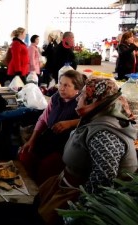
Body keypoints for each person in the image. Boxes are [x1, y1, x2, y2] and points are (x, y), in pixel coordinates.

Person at [36, 77, 137, 225]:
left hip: (77, 199)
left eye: (82, 95)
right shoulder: (97, 118)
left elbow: (104, 178)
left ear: (93, 101)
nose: (78, 99)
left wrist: (77, 210)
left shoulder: (105, 133)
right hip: (67, 186)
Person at [19, 70, 85, 185]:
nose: (61, 88)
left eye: (66, 85)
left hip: (65, 145)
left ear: (77, 89)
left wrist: (70, 123)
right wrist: (32, 140)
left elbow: (92, 120)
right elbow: (43, 119)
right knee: (25, 155)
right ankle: (27, 187)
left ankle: (41, 193)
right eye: (60, 83)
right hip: (49, 138)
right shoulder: (55, 98)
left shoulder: (82, 102)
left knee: (46, 167)